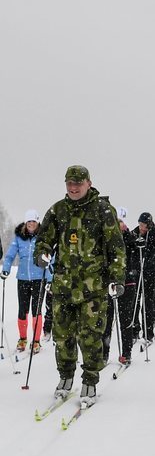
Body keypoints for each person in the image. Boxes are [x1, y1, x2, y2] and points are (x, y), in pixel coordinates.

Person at [34, 165, 125, 405]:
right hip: (63, 285)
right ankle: (65, 377)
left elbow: (116, 248)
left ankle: (90, 380)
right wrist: (41, 253)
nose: (73, 188)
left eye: (78, 184)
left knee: (90, 336)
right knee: (62, 335)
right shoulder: (57, 210)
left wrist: (117, 278)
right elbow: (44, 239)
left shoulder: (103, 210)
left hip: (93, 287)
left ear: (88, 183)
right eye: (69, 184)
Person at [2, 210, 54, 354]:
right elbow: (10, 255)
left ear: (37, 223)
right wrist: (6, 269)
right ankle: (22, 338)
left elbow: (51, 260)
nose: (31, 224)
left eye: (34, 221)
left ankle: (36, 341)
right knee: (22, 310)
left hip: (39, 279)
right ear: (26, 223)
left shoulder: (43, 238)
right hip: (23, 279)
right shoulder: (19, 238)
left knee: (36, 311)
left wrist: (50, 279)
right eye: (29, 221)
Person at [102, 215, 139, 364]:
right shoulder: (106, 238)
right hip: (109, 283)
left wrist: (130, 237)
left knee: (125, 319)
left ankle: (126, 352)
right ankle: (104, 353)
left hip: (127, 283)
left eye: (121, 223)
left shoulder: (130, 239)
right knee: (106, 320)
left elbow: (136, 250)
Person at [132, 213, 155, 342]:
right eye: (140, 224)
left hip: (149, 273)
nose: (141, 227)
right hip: (136, 272)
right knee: (135, 301)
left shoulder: (154, 234)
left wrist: (148, 247)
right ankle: (135, 329)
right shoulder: (135, 232)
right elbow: (129, 244)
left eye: (143, 225)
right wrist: (136, 244)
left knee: (148, 303)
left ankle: (148, 332)